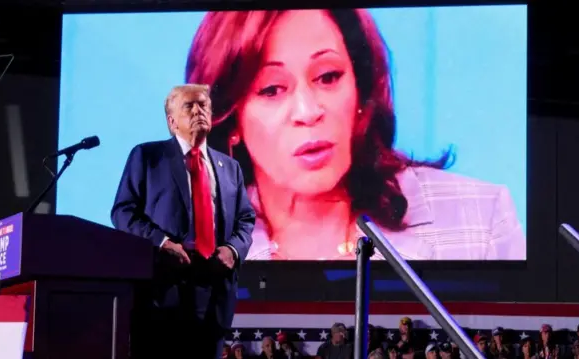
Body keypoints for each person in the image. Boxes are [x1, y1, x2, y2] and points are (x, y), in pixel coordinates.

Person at [185, 9, 525, 260]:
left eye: (328, 77)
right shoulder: (199, 241)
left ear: (361, 92)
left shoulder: (480, 217)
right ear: (231, 123)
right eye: (272, 89)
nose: (308, 111)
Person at [111, 84, 255, 358]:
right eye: (189, 106)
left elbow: (245, 219)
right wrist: (162, 243)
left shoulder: (230, 167)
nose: (198, 111)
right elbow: (123, 211)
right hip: (163, 290)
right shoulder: (148, 156)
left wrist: (233, 250)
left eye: (204, 105)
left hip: (215, 293)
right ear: (171, 121)